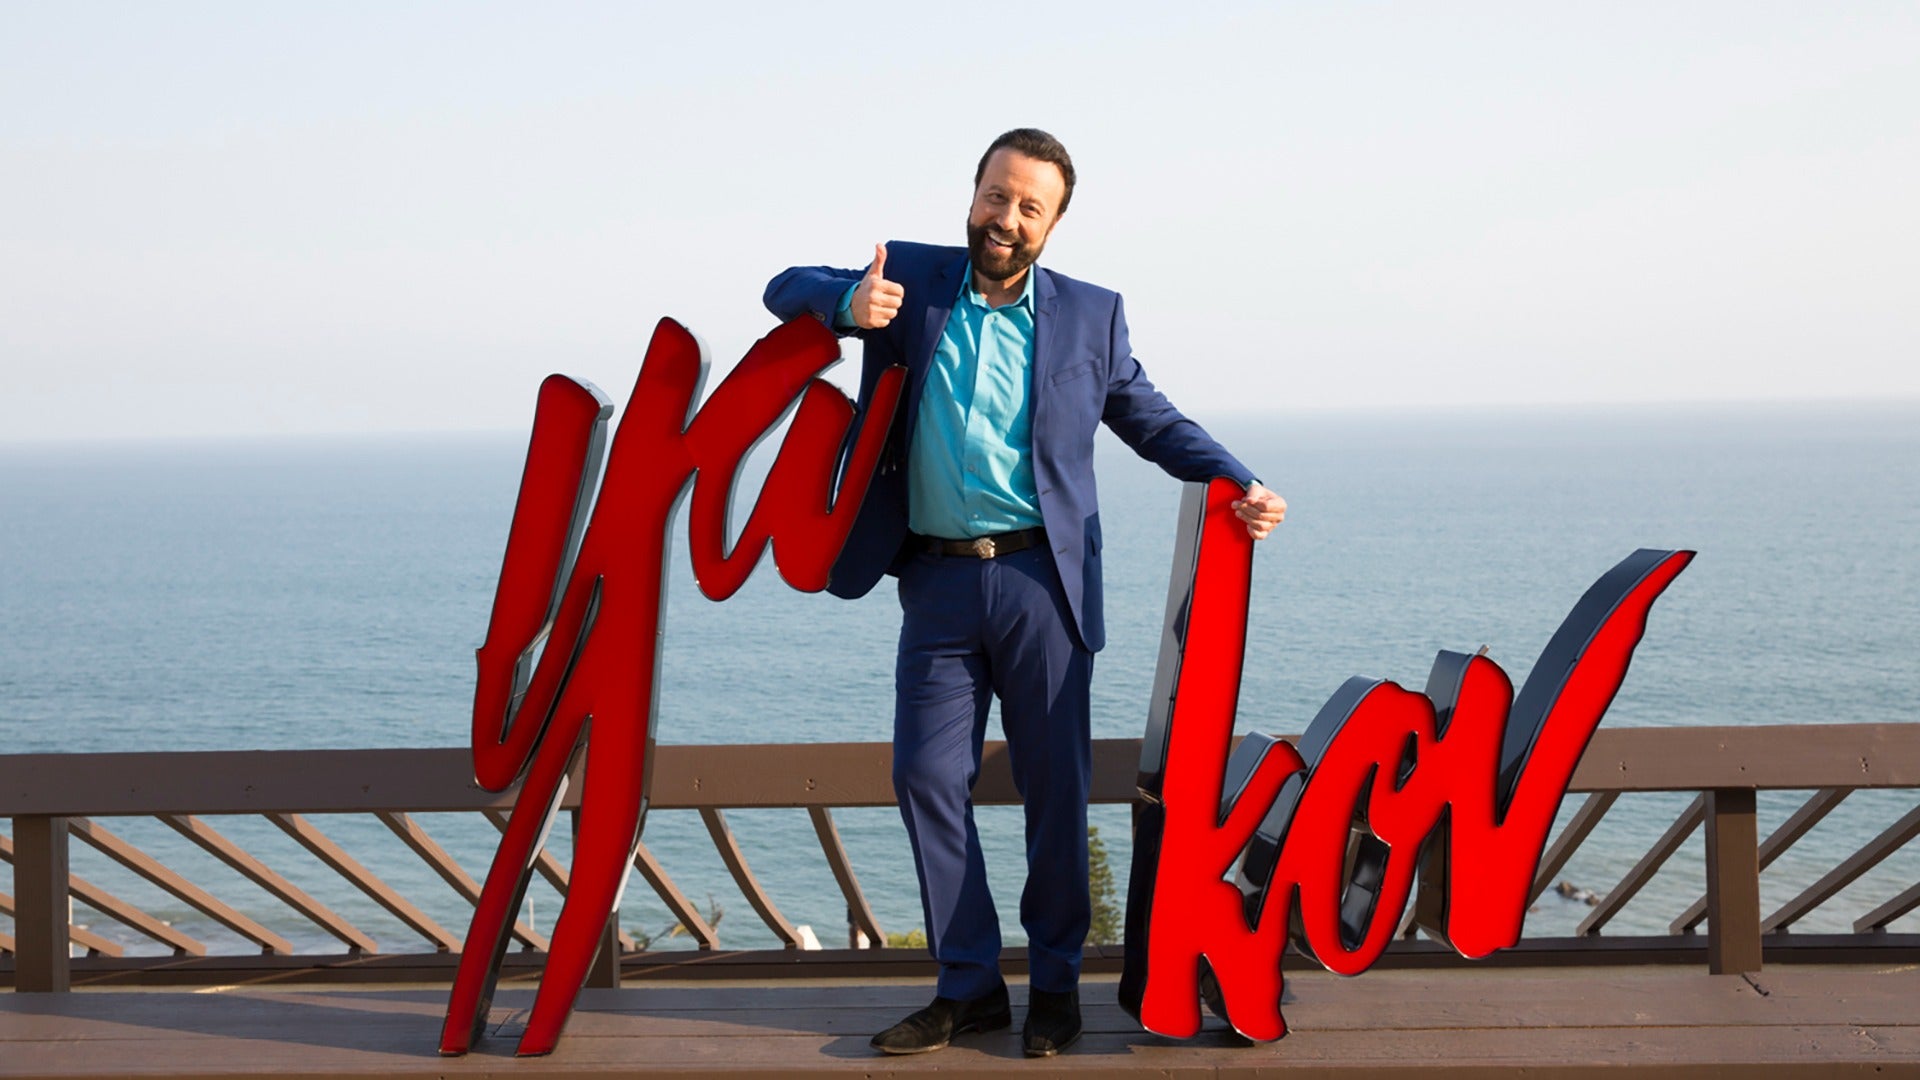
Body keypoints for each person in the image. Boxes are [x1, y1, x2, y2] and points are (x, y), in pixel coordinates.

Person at [764, 128, 1285, 1058]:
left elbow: (1152, 420)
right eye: (997, 197)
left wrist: (1238, 480)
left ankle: (1054, 988)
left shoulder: (1091, 316)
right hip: (933, 580)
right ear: (973, 195)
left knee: (1057, 792)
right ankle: (967, 987)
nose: (1007, 219)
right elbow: (784, 286)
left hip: (1045, 579)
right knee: (924, 776)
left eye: (1028, 207)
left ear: (1054, 222)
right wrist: (848, 301)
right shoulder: (911, 279)